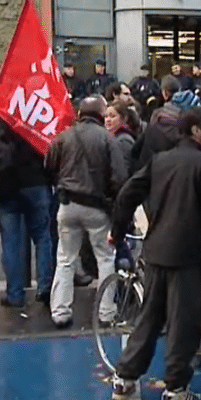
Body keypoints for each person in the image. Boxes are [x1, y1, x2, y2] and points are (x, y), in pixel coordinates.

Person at [109, 107, 201, 400]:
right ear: (195, 131)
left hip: (157, 249)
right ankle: (176, 388)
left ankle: (125, 378)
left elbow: (128, 192)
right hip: (188, 255)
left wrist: (118, 229)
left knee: (149, 317)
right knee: (182, 324)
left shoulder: (160, 160)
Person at [45, 96, 127, 328]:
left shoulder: (65, 136)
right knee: (105, 258)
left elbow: (48, 163)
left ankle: (60, 311)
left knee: (65, 259)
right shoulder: (107, 139)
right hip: (96, 207)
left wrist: (59, 182)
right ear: (101, 115)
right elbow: (119, 177)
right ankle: (106, 313)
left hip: (67, 203)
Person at [0, 121, 54, 308]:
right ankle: (45, 286)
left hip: (6, 185)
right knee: (42, 236)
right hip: (35, 181)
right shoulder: (33, 117)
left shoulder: (3, 121)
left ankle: (15, 294)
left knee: (10, 242)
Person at [131, 76, 182, 172]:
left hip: (154, 168)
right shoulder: (189, 114)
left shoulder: (157, 116)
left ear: (165, 93)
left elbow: (138, 148)